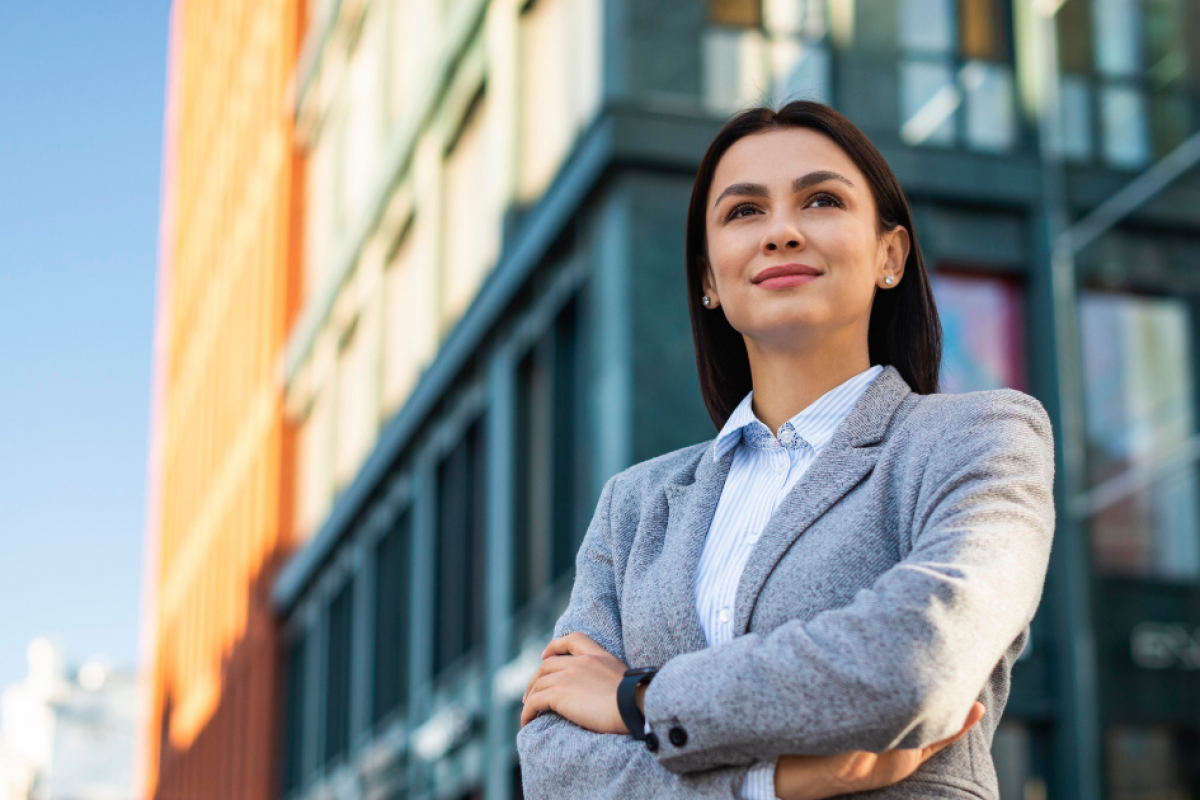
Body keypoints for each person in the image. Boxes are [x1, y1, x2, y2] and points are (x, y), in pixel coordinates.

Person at [515, 101, 1055, 800]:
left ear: (890, 255)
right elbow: (555, 764)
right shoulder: (636, 504)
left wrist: (636, 697)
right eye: (744, 212)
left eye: (821, 200)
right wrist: (776, 782)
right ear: (709, 280)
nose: (782, 232)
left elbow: (918, 658)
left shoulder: (979, 438)